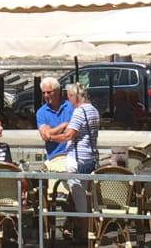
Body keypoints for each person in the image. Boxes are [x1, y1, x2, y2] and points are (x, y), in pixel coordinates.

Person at [63, 82, 101, 241]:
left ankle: (85, 234)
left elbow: (69, 135)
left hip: (78, 159)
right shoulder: (93, 110)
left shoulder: (79, 112)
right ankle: (84, 230)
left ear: (75, 96)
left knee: (80, 200)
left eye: (69, 96)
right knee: (87, 198)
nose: (68, 100)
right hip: (90, 157)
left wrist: (51, 136)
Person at [35, 76, 73, 160]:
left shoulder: (70, 107)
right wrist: (64, 125)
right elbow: (45, 136)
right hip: (53, 158)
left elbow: (73, 133)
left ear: (58, 91)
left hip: (71, 156)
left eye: (49, 92)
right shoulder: (41, 112)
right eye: (43, 93)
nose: (46, 95)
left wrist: (52, 131)